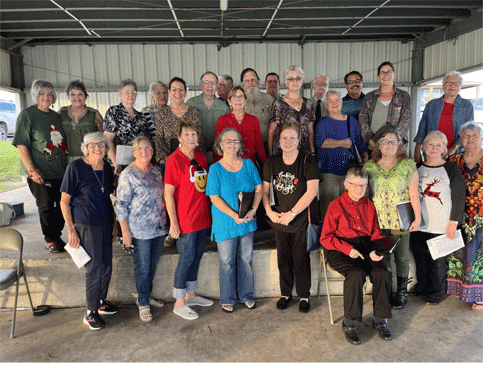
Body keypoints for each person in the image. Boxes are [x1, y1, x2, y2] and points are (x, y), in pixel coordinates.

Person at [320, 167, 393, 345]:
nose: (360, 189)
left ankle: (380, 319)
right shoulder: (335, 206)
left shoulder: (369, 205)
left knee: (382, 272)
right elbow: (326, 237)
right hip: (340, 248)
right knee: (355, 274)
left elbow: (376, 233)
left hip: (366, 246)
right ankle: (350, 322)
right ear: (346, 184)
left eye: (364, 186)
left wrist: (378, 250)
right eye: (355, 185)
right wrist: (347, 249)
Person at [60, 132, 117, 330]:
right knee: (93, 268)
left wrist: (115, 222)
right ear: (86, 147)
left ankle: (100, 301)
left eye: (101, 144)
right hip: (86, 223)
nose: (97, 148)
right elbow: (64, 201)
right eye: (92, 145)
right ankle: (90, 312)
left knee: (106, 265)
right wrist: (71, 230)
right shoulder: (75, 167)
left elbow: (108, 197)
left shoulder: (108, 168)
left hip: (105, 222)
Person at [262, 123, 320, 313]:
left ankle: (304, 295)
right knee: (283, 258)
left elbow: (312, 191)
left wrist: (292, 213)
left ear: (299, 140)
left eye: (292, 138)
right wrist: (270, 212)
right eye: (284, 138)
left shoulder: (307, 160)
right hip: (279, 219)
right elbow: (264, 190)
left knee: (301, 258)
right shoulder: (272, 162)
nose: (288, 141)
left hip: (301, 219)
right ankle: (285, 293)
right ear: (278, 141)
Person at [207, 128, 263, 313]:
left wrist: (254, 209)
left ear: (240, 145)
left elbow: (259, 188)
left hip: (247, 221)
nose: (232, 144)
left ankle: (246, 295)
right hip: (225, 223)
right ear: (220, 145)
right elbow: (214, 197)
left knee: (246, 259)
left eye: (236, 141)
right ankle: (228, 298)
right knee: (227, 261)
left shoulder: (248, 164)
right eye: (228, 141)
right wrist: (233, 215)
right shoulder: (215, 169)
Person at [363, 130, 420, 309]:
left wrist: (417, 218)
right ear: (378, 145)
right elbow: (365, 195)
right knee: (383, 257)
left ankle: (402, 291)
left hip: (401, 220)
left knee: (402, 257)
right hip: (378, 221)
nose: (389, 145)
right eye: (385, 141)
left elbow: (414, 193)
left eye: (393, 141)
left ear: (399, 145)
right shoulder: (369, 166)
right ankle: (385, 290)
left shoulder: (408, 164)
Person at [164, 120, 214, 320]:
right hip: (186, 218)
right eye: (187, 135)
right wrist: (173, 223)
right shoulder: (174, 160)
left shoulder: (201, 157)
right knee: (186, 258)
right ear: (179, 138)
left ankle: (190, 294)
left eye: (194, 134)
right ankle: (179, 302)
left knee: (197, 256)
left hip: (202, 216)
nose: (191, 138)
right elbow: (168, 194)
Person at [410, 131, 466, 305]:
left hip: (442, 225)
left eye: (438, 145)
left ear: (444, 149)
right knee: (420, 258)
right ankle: (422, 286)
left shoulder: (451, 169)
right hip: (420, 223)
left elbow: (459, 197)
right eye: (430, 145)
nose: (434, 148)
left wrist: (453, 223)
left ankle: (436, 293)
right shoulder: (416, 167)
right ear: (424, 147)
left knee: (437, 263)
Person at [12, 79, 68, 253]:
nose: (46, 97)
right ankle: (50, 238)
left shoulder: (55, 116)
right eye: (42, 93)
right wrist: (32, 169)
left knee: (62, 204)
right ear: (36, 95)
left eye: (49, 93)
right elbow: (22, 144)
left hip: (60, 170)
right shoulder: (27, 115)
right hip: (39, 172)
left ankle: (57, 235)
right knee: (45, 205)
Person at [115, 136, 167, 322]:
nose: (145, 151)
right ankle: (143, 302)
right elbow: (121, 205)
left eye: (148, 147)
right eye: (140, 148)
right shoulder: (128, 174)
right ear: (134, 151)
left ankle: (144, 294)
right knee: (143, 267)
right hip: (139, 231)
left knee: (152, 266)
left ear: (152, 150)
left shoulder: (157, 171)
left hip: (159, 228)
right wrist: (125, 231)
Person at [446, 122, 483, 311]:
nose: (470, 139)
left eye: (475, 135)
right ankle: (462, 290)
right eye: (466, 135)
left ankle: (484, 296)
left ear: (481, 138)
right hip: (460, 215)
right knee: (461, 254)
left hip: (484, 217)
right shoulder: (454, 160)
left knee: (482, 257)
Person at [315, 90, 368, 218]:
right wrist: (341, 143)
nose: (334, 104)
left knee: (349, 208)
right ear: (326, 105)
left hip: (349, 173)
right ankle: (327, 236)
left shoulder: (351, 121)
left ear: (341, 103)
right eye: (330, 101)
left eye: (337, 100)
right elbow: (320, 142)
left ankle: (346, 235)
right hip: (328, 173)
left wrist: (365, 154)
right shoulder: (322, 122)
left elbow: (359, 141)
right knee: (328, 208)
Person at [413, 71, 474, 163]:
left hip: (457, 153)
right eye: (448, 83)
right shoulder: (432, 105)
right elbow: (423, 127)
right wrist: (417, 149)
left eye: (456, 83)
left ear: (461, 86)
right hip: (432, 152)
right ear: (443, 85)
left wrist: (454, 147)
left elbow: (468, 129)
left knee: (454, 176)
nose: (452, 86)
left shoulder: (466, 105)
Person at [103, 79, 156, 174]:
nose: (130, 95)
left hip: (138, 163)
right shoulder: (113, 112)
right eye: (127, 92)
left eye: (133, 92)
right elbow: (107, 140)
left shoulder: (141, 116)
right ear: (120, 95)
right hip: (119, 164)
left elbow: (146, 141)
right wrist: (115, 163)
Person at [358, 62, 411, 152]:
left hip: (396, 147)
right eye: (382, 72)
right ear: (378, 77)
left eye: (389, 71)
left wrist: (391, 142)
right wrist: (371, 143)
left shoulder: (403, 96)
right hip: (373, 146)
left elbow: (406, 121)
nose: (386, 75)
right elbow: (362, 120)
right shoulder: (369, 97)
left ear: (394, 74)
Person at [155, 77, 205, 167]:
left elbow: (199, 137)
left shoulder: (194, 112)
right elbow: (159, 139)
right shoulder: (163, 112)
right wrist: (168, 159)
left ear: (185, 93)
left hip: (190, 158)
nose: (178, 93)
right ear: (169, 92)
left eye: (181, 90)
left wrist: (193, 157)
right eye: (174, 89)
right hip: (169, 158)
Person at [268, 66, 315, 156]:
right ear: (286, 82)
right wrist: (271, 157)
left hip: (304, 153)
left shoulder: (308, 103)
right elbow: (271, 133)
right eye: (291, 79)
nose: (295, 82)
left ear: (302, 81)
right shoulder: (278, 103)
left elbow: (311, 131)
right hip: (284, 153)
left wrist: (312, 152)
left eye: (298, 78)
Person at [214, 86, 267, 165]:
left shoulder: (253, 120)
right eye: (234, 97)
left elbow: (259, 147)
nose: (238, 100)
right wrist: (218, 166)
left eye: (241, 97)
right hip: (228, 164)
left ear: (245, 101)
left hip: (249, 164)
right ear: (229, 101)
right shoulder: (222, 120)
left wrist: (266, 165)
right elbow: (218, 146)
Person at [187, 71, 229, 164]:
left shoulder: (223, 107)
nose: (209, 86)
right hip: (195, 152)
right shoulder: (191, 103)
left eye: (213, 83)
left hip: (218, 153)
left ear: (217, 85)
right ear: (201, 85)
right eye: (206, 82)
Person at [59, 80, 103, 163]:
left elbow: (103, 137)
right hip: (67, 160)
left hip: (90, 159)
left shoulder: (94, 113)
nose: (77, 97)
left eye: (80, 94)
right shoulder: (62, 112)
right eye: (73, 94)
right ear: (68, 96)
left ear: (86, 96)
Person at [240, 68, 275, 148]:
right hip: (245, 146)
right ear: (242, 83)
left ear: (258, 81)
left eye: (253, 79)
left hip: (266, 144)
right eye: (247, 80)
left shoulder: (268, 99)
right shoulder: (239, 101)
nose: (250, 83)